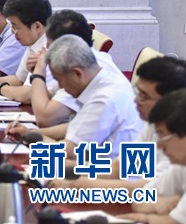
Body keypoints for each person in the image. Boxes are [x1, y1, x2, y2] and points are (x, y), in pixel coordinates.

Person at [51, 56, 186, 190]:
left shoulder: (179, 141)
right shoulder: (152, 124)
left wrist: (76, 183)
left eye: (144, 97)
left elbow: (147, 189)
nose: (136, 101)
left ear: (170, 100)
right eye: (137, 92)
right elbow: (120, 168)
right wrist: (63, 167)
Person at [12, 34, 141, 159]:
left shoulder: (104, 98)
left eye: (60, 81)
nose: (60, 87)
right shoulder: (102, 80)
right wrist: (30, 133)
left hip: (110, 169)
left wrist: (36, 138)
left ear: (77, 73)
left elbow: (69, 152)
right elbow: (77, 127)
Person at [123, 89, 186, 224]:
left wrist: (147, 218)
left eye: (163, 137)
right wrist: (162, 203)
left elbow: (172, 222)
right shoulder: (181, 166)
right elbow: (139, 197)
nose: (159, 146)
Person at [0, 0, 52, 99]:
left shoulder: (48, 50)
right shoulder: (33, 44)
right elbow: (19, 80)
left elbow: (28, 95)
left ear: (37, 27)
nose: (12, 31)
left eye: (15, 26)